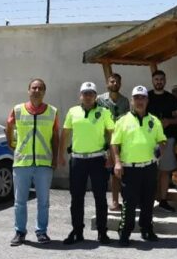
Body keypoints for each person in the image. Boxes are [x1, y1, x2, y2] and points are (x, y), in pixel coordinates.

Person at [6, 78, 60, 246]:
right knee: (20, 201)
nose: (36, 91)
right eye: (34, 88)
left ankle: (41, 232)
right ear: (28, 90)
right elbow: (8, 128)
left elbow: (55, 137)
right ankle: (20, 232)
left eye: (40, 88)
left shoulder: (52, 111)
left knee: (43, 202)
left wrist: (55, 159)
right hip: (22, 163)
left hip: (44, 164)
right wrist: (12, 144)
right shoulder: (17, 110)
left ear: (44, 92)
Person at [60, 82, 115, 245]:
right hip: (77, 160)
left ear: (95, 96)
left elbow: (112, 134)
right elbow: (65, 134)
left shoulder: (104, 112)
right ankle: (77, 231)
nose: (88, 96)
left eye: (91, 93)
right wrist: (60, 156)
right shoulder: (73, 111)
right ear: (80, 96)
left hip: (98, 159)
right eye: (85, 93)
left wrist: (112, 156)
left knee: (100, 197)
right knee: (76, 198)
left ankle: (102, 232)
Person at [111, 85, 166, 246]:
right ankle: (125, 233)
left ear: (147, 100)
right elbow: (114, 143)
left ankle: (147, 229)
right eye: (136, 98)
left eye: (142, 98)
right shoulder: (122, 120)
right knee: (129, 202)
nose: (140, 101)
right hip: (130, 168)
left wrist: (161, 148)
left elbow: (162, 140)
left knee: (148, 201)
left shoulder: (154, 121)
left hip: (149, 167)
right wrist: (117, 162)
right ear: (132, 100)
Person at [147, 70, 177, 213]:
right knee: (149, 171)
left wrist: (169, 121)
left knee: (165, 171)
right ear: (152, 81)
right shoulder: (146, 97)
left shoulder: (171, 99)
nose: (159, 81)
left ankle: (163, 200)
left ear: (165, 81)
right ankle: (147, 200)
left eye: (161, 79)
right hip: (148, 139)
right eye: (156, 79)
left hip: (167, 139)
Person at [97, 73, 131, 212]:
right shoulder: (99, 100)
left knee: (118, 173)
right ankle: (108, 202)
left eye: (117, 82)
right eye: (112, 81)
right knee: (105, 173)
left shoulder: (125, 101)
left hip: (120, 142)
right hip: (104, 142)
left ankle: (120, 201)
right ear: (107, 83)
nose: (115, 84)